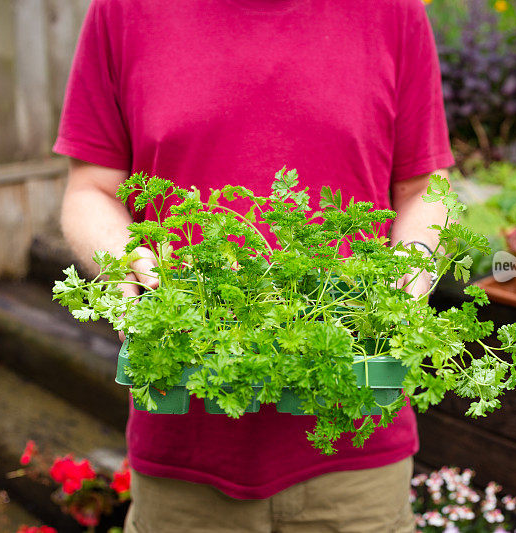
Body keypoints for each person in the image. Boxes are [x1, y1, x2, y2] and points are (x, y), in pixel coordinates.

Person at [54, 0, 454, 530]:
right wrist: (125, 259)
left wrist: (414, 266)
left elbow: (426, 187)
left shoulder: (394, 11)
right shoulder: (124, 11)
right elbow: (90, 189)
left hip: (356, 457)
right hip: (184, 460)